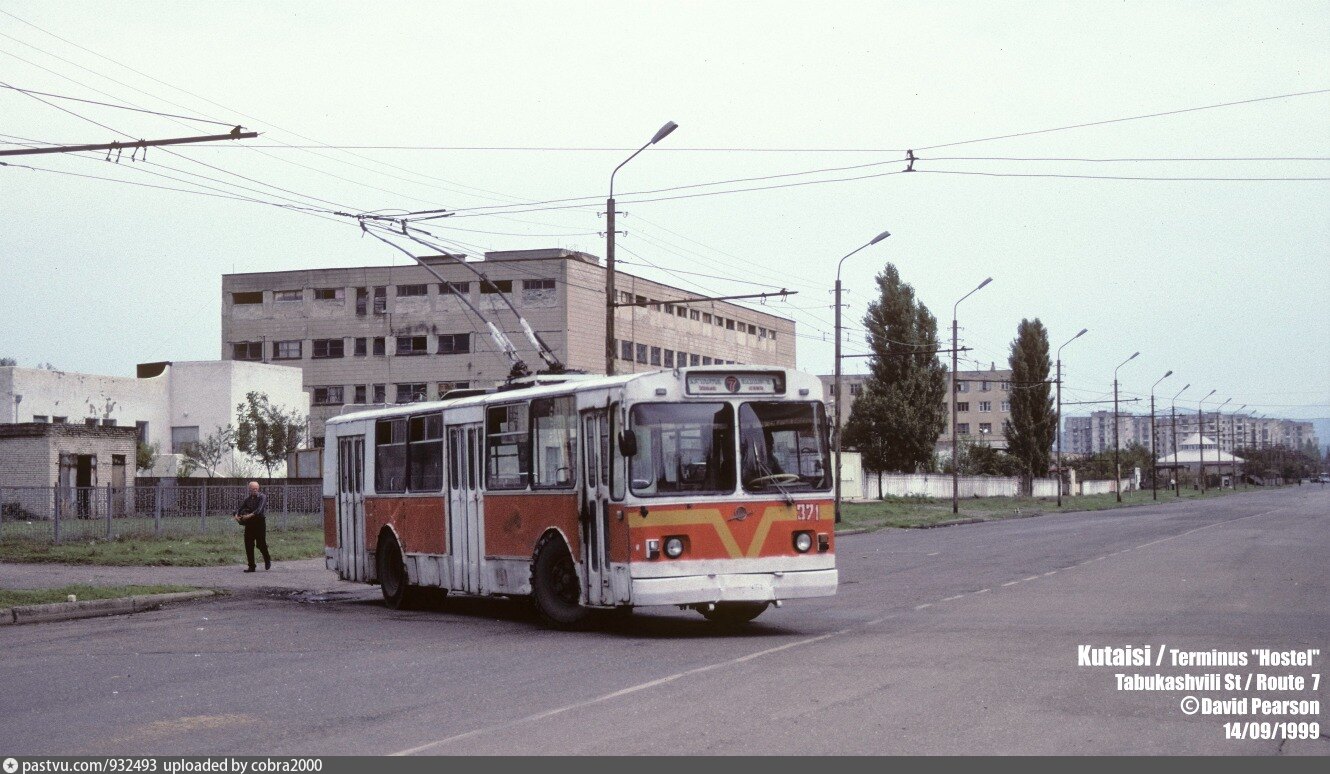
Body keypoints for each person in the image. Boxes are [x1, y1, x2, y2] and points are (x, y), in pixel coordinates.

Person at [234, 481, 272, 572]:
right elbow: (240, 509)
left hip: (259, 522)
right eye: (253, 488)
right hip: (249, 523)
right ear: (249, 489)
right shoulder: (247, 499)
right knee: (248, 544)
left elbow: (259, 510)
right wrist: (236, 515)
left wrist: (248, 516)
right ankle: (251, 566)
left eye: (256, 488)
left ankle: (267, 558)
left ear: (258, 488)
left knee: (260, 544)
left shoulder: (262, 497)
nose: (254, 490)